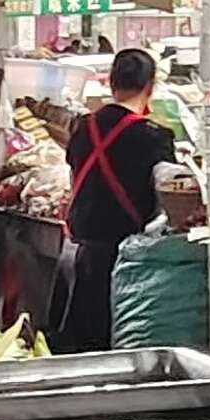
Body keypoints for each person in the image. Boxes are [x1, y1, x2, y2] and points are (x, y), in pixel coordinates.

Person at [47, 45, 175, 354]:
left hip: (82, 255)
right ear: (150, 86)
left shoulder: (82, 128)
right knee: (120, 347)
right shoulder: (153, 136)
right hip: (130, 261)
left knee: (84, 346)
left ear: (111, 83)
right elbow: (170, 193)